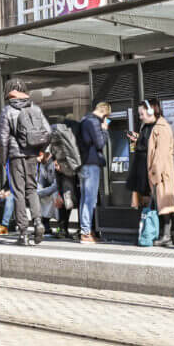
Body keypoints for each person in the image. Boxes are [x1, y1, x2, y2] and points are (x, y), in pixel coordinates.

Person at [0, 79, 49, 246]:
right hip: (33, 155)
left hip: (15, 156)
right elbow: (48, 132)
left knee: (18, 193)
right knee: (32, 189)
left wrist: (2, 162)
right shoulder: (35, 108)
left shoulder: (7, 110)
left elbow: (3, 139)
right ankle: (38, 223)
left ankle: (23, 233)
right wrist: (41, 151)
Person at [142, 98, 174, 247]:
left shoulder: (161, 128)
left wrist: (154, 174)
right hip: (160, 174)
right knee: (162, 205)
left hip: (161, 174)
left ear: (151, 111)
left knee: (165, 206)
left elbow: (160, 154)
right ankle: (164, 235)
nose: (140, 116)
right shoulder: (155, 127)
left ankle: (167, 236)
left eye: (142, 113)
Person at [77, 102, 109, 243]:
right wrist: (105, 129)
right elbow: (100, 143)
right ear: (105, 113)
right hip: (91, 164)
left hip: (83, 164)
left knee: (85, 199)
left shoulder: (84, 120)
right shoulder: (94, 122)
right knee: (90, 199)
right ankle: (85, 233)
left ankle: (85, 230)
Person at [47, 122, 82, 239]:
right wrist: (56, 161)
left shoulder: (58, 135)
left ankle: (65, 229)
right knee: (66, 198)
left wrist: (58, 162)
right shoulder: (62, 136)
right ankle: (64, 228)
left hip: (67, 171)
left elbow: (67, 154)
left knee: (68, 198)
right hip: (66, 171)